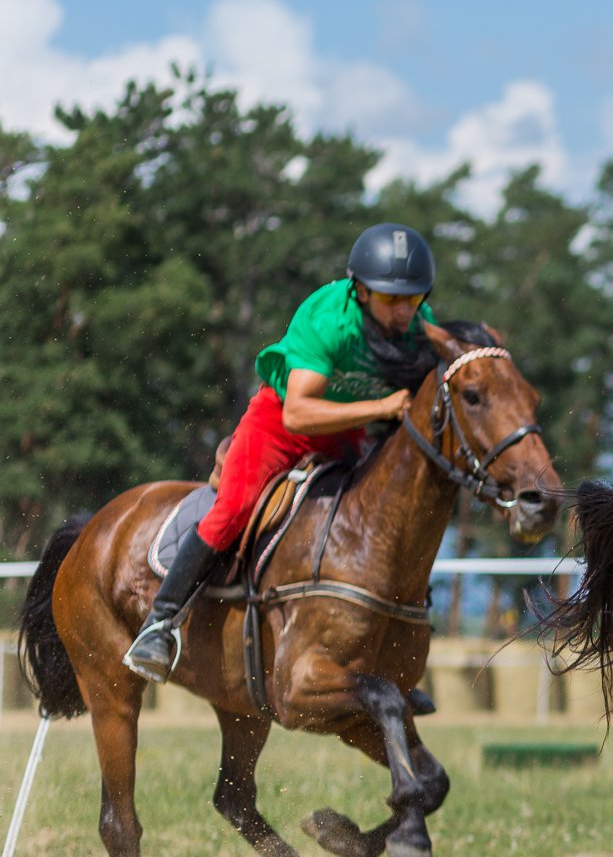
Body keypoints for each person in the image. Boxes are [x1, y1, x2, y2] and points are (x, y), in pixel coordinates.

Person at [122, 223, 439, 682]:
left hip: (348, 431)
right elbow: (298, 413)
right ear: (362, 292)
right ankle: (160, 623)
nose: (404, 310)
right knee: (233, 508)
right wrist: (383, 406)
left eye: (412, 298)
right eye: (392, 300)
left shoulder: (419, 323)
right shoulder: (328, 319)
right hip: (282, 423)